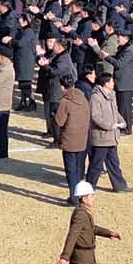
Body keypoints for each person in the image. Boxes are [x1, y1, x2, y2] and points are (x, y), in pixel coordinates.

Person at [85, 72, 131, 193]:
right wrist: (110, 126)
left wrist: (122, 122)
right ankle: (89, 187)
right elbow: (95, 116)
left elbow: (115, 112)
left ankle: (120, 185)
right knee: (96, 165)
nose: (113, 83)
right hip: (101, 137)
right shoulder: (96, 97)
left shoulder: (111, 95)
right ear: (106, 83)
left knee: (114, 163)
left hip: (111, 137)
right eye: (111, 81)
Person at [53, 74, 90, 203]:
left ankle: (74, 197)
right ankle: (81, 195)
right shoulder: (84, 98)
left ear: (63, 87)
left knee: (71, 170)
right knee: (80, 168)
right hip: (83, 139)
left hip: (69, 140)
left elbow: (59, 122)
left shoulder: (65, 102)